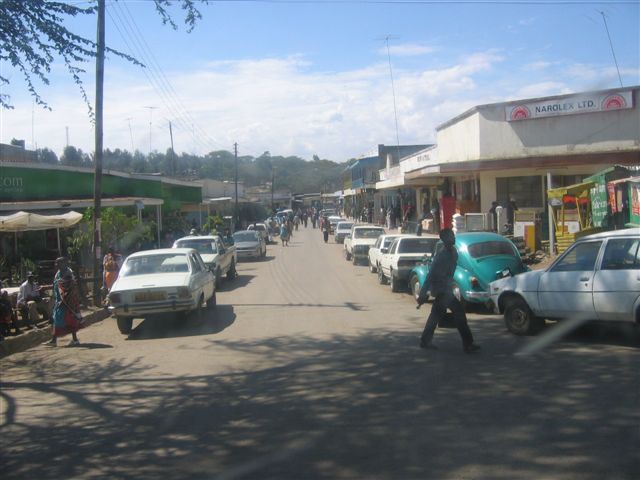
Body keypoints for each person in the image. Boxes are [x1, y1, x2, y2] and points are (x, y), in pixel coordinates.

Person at [416, 228, 480, 353]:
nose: (454, 237)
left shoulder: (453, 252)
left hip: (446, 290)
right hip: (442, 291)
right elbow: (431, 275)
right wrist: (423, 294)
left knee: (435, 316)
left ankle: (425, 340)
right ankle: (468, 344)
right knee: (459, 313)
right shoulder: (441, 256)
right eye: (451, 235)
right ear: (445, 239)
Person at [44, 257, 82, 347]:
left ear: (64, 263)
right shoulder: (58, 273)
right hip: (59, 300)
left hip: (67, 302)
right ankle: (58, 340)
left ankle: (71, 339)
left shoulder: (68, 273)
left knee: (67, 319)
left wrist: (64, 299)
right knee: (59, 319)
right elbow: (57, 284)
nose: (56, 265)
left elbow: (69, 288)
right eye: (56, 263)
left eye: (58, 263)